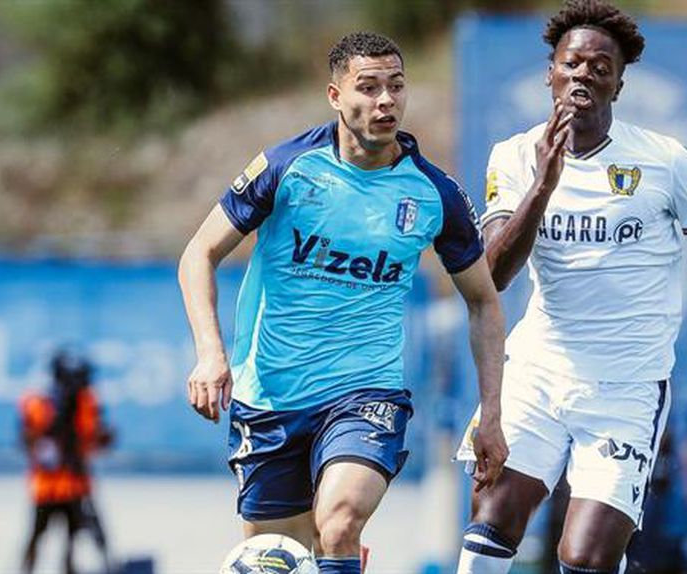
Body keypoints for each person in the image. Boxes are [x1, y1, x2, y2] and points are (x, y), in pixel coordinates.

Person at [454, 2, 687, 572]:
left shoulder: (664, 161)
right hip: (537, 373)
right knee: (491, 520)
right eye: (572, 63)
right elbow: (493, 275)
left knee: (584, 556)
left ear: (618, 85)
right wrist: (542, 186)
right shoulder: (514, 156)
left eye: (600, 67)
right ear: (550, 73)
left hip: (626, 386)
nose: (584, 75)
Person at [177, 32, 508, 574]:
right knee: (278, 557)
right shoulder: (286, 167)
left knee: (340, 521)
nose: (386, 101)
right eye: (369, 87)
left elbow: (483, 303)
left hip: (366, 392)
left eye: (396, 86)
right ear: (335, 96)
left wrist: (491, 411)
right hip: (271, 398)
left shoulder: (434, 193)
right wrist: (211, 353)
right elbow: (198, 254)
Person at [20, 349, 114, 574]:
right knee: (37, 535)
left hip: (75, 483)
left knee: (72, 539)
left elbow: (95, 438)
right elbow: (29, 439)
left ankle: (69, 568)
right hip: (49, 487)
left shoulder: (86, 403)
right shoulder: (42, 404)